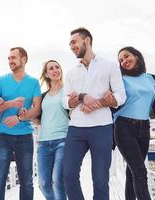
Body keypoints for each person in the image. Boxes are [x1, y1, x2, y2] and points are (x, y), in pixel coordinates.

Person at [62, 27, 126, 200]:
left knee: (100, 179)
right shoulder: (71, 73)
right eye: (70, 44)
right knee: (68, 174)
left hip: (102, 128)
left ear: (87, 40)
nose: (71, 46)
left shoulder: (110, 66)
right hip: (76, 128)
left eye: (74, 42)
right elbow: (65, 101)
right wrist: (83, 97)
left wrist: (101, 103)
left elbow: (121, 96)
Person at [114, 46, 155, 200]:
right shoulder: (119, 80)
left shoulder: (152, 79)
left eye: (127, 56)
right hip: (123, 127)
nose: (124, 61)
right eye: (120, 60)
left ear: (137, 56)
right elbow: (113, 104)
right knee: (140, 171)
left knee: (132, 171)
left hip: (144, 128)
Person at [0, 47, 41, 200]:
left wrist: (20, 118)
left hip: (25, 136)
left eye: (13, 58)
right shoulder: (1, 80)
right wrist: (9, 104)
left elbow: (36, 110)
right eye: (9, 58)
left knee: (27, 181)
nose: (10, 61)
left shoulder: (33, 82)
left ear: (23, 59)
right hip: (2, 136)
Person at [36, 60, 69, 200]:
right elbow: (38, 119)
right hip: (43, 143)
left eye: (57, 67)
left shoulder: (67, 91)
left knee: (57, 180)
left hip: (63, 140)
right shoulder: (43, 96)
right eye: (51, 68)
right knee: (43, 183)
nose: (56, 70)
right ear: (46, 74)